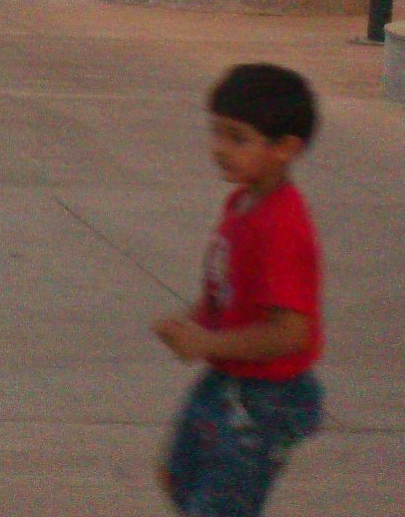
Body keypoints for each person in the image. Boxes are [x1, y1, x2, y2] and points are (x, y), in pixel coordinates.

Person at [152, 64, 325, 517]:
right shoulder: (244, 200)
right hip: (230, 378)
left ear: (286, 148)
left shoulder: (281, 227)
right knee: (181, 474)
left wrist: (206, 341)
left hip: (267, 398)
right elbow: (227, 289)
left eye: (237, 137)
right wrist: (192, 321)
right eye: (217, 133)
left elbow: (290, 333)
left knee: (221, 505)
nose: (220, 149)